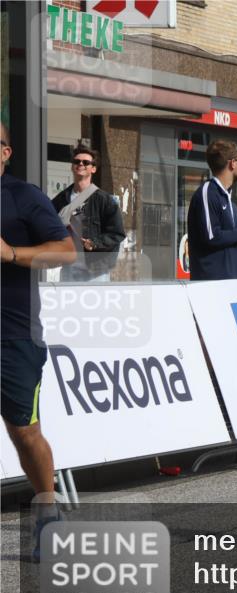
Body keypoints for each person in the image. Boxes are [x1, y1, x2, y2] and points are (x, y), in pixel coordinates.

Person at [0, 123, 78, 560]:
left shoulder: (22, 196)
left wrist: (11, 254)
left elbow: (65, 251)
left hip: (12, 333)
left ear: (6, 152)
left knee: (24, 432)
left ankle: (47, 512)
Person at [186, 140, 237, 280]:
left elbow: (227, 241)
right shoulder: (208, 192)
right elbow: (212, 237)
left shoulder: (229, 200)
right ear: (233, 163)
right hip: (211, 285)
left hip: (231, 284)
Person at [50, 143, 125, 282]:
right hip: (69, 268)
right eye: (77, 161)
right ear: (72, 166)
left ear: (93, 169)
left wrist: (94, 243)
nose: (80, 164)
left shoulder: (104, 200)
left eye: (86, 162)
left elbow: (117, 233)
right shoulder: (60, 200)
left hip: (96, 271)